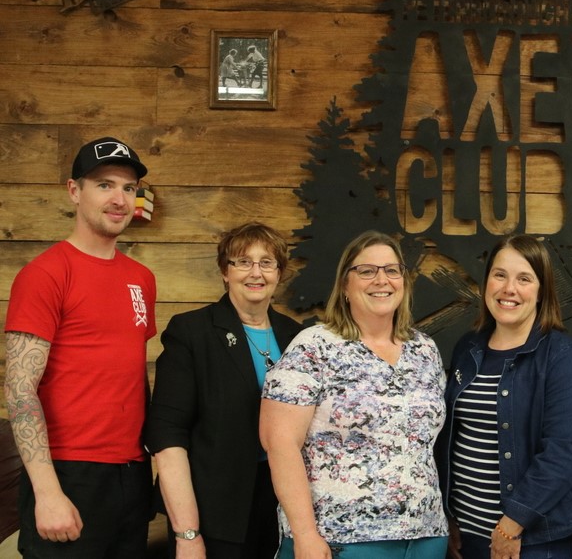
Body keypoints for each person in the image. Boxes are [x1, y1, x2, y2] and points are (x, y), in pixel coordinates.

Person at [3, 137, 156, 558]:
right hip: (66, 473)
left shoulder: (141, 278)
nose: (119, 199)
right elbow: (19, 389)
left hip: (131, 474)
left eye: (128, 188)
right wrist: (47, 492)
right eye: (104, 185)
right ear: (75, 191)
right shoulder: (45, 275)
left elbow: (131, 374)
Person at [260, 230, 448, 559]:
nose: (382, 280)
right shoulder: (315, 346)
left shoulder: (425, 350)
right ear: (345, 285)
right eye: (366, 270)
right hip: (340, 539)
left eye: (392, 270)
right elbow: (279, 442)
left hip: (425, 535)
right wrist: (304, 534)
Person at [145, 222, 303, 558]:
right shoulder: (192, 332)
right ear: (224, 271)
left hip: (280, 504)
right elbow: (167, 433)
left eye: (267, 262)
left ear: (280, 273)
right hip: (213, 510)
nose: (255, 272)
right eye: (243, 262)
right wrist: (187, 533)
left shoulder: (295, 336)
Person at [437, 235, 572, 559]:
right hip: (467, 538)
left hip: (531, 542)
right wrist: (449, 516)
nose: (509, 288)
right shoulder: (468, 348)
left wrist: (513, 523)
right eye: (500, 275)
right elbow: (450, 440)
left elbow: (563, 452)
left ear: (541, 291)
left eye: (524, 279)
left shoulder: (560, 356)